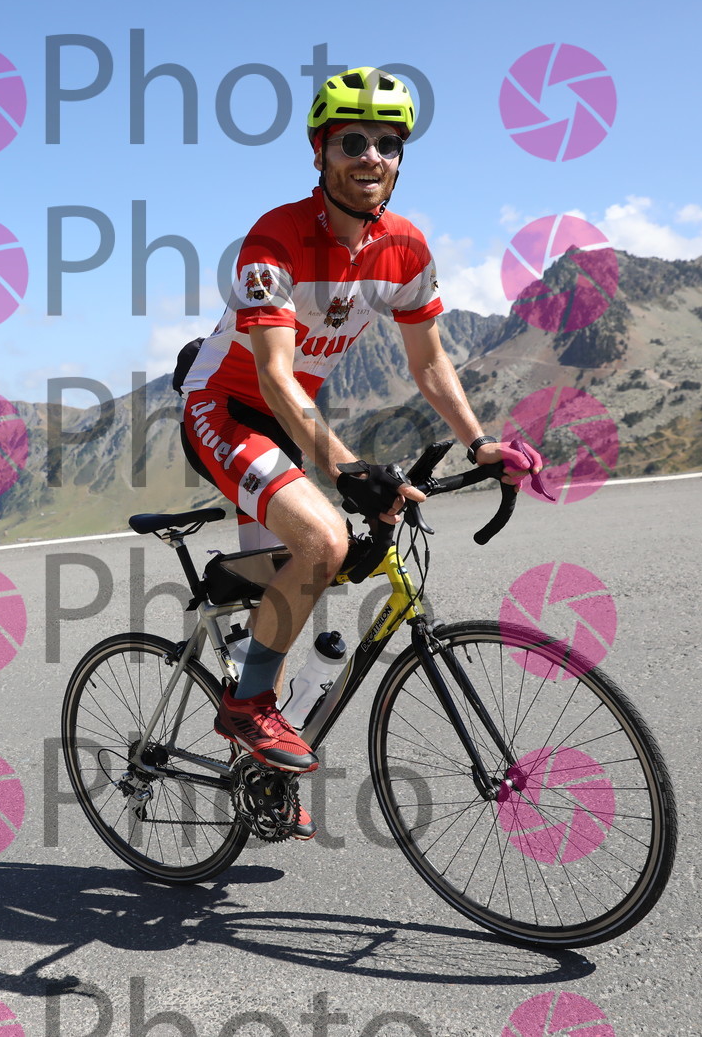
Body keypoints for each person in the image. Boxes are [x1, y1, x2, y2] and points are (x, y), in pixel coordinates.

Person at [176, 68, 545, 838]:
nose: (370, 155)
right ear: (320, 151)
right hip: (226, 408)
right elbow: (273, 375)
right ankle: (245, 705)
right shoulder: (274, 238)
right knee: (325, 539)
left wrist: (480, 442)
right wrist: (344, 467)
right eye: (351, 140)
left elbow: (430, 362)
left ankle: (258, 760)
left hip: (291, 419)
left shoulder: (404, 247)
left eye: (387, 142)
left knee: (315, 595)